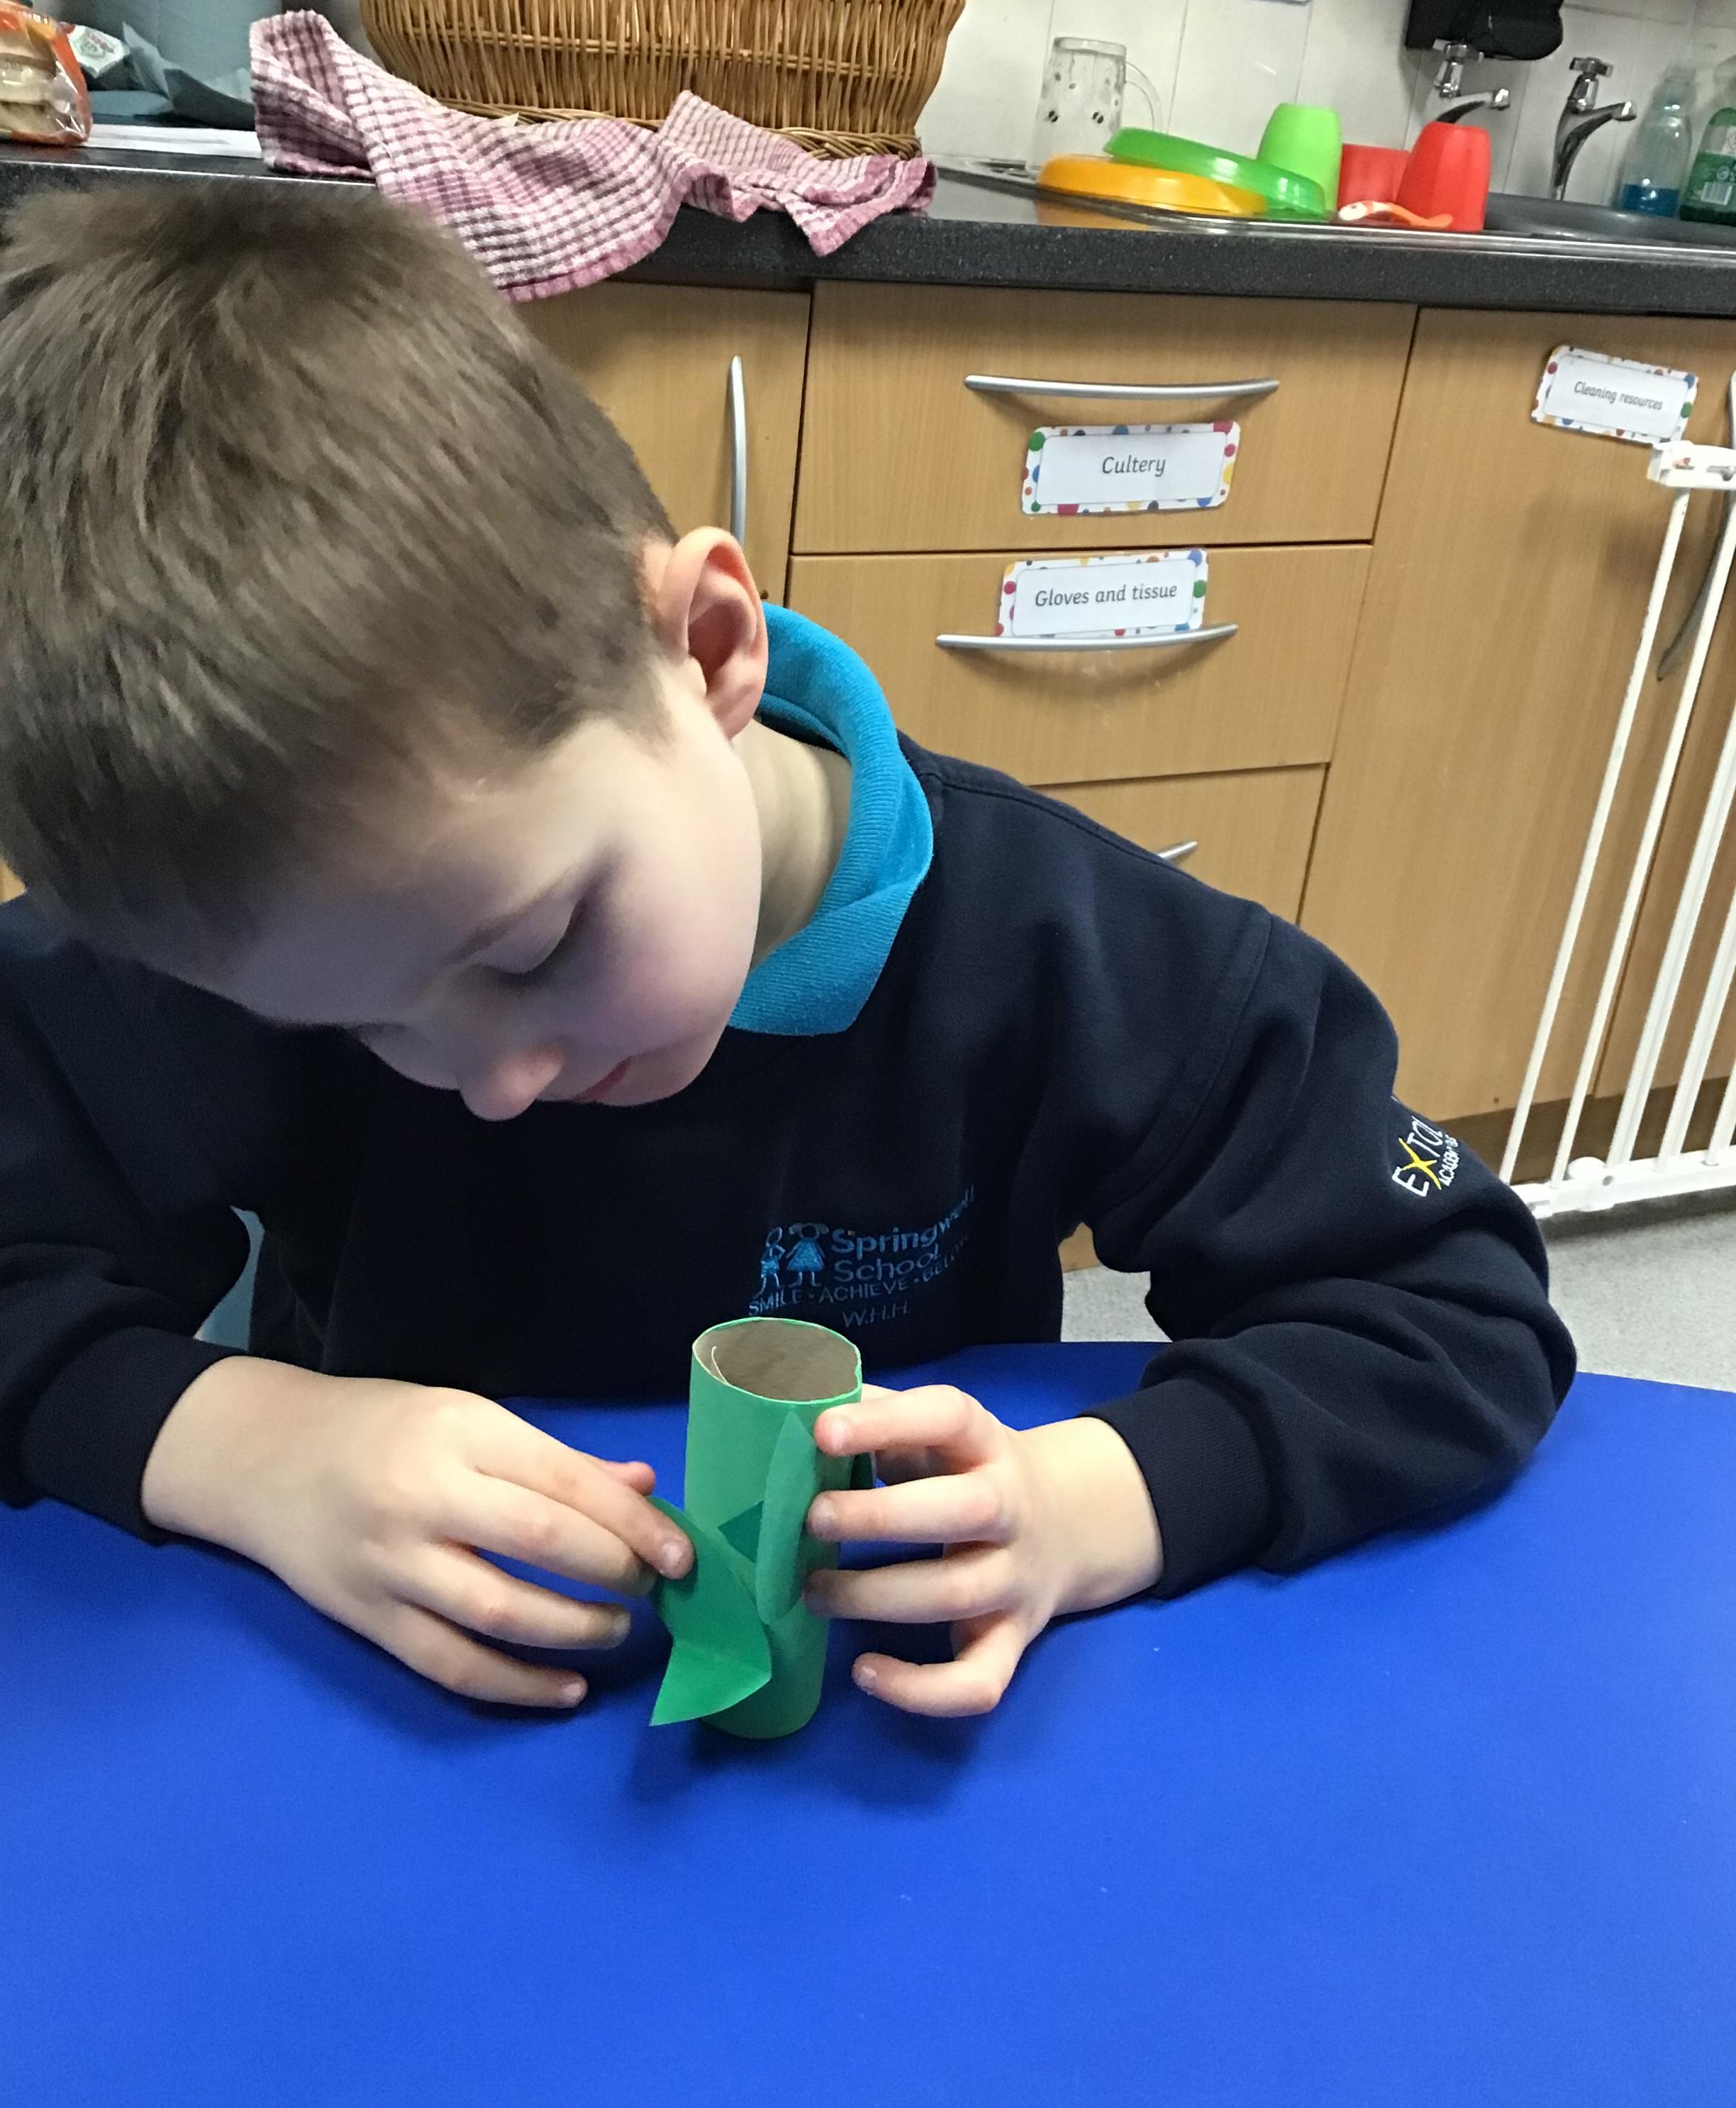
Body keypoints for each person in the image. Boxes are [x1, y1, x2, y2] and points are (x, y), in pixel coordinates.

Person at [0, 185, 1574, 1721]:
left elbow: (1454, 1305)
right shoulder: (271, 910)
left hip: (876, 1753)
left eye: (538, 947)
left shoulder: (1060, 948)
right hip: (374, 1734)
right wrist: (246, 1448)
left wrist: (1095, 1502)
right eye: (357, 1028)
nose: (491, 1083)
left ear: (706, 650)